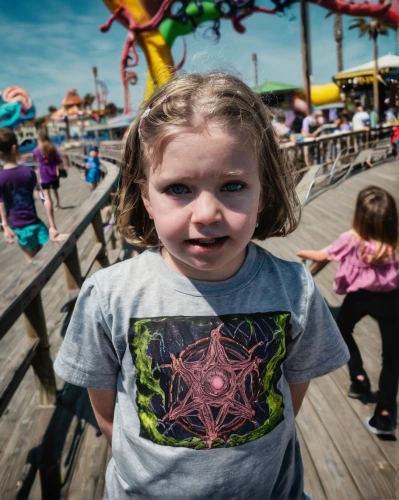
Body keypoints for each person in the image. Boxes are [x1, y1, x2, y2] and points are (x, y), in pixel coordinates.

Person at [54, 72, 349, 499]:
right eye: (178, 188)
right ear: (147, 198)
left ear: (262, 192)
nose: (207, 212)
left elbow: (290, 395)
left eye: (233, 186)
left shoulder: (295, 288)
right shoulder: (109, 295)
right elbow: (107, 414)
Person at [297, 186, 398, 439]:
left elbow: (322, 255)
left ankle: (359, 377)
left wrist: (300, 254)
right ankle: (385, 413)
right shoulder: (395, 241)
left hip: (359, 298)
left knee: (342, 329)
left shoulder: (352, 239)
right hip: (391, 300)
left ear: (359, 218)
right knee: (392, 357)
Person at [0, 128, 59, 262]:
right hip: (36, 223)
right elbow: (44, 197)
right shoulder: (28, 172)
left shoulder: (1, 178)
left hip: (18, 227)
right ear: (15, 148)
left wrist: (5, 226)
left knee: (31, 260)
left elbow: (1, 203)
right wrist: (52, 225)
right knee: (48, 256)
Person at [33, 130, 63, 211]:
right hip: (53, 172)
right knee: (55, 190)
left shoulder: (36, 150)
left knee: (46, 193)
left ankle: (50, 206)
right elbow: (59, 160)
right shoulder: (53, 148)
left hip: (44, 174)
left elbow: (35, 159)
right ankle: (58, 204)